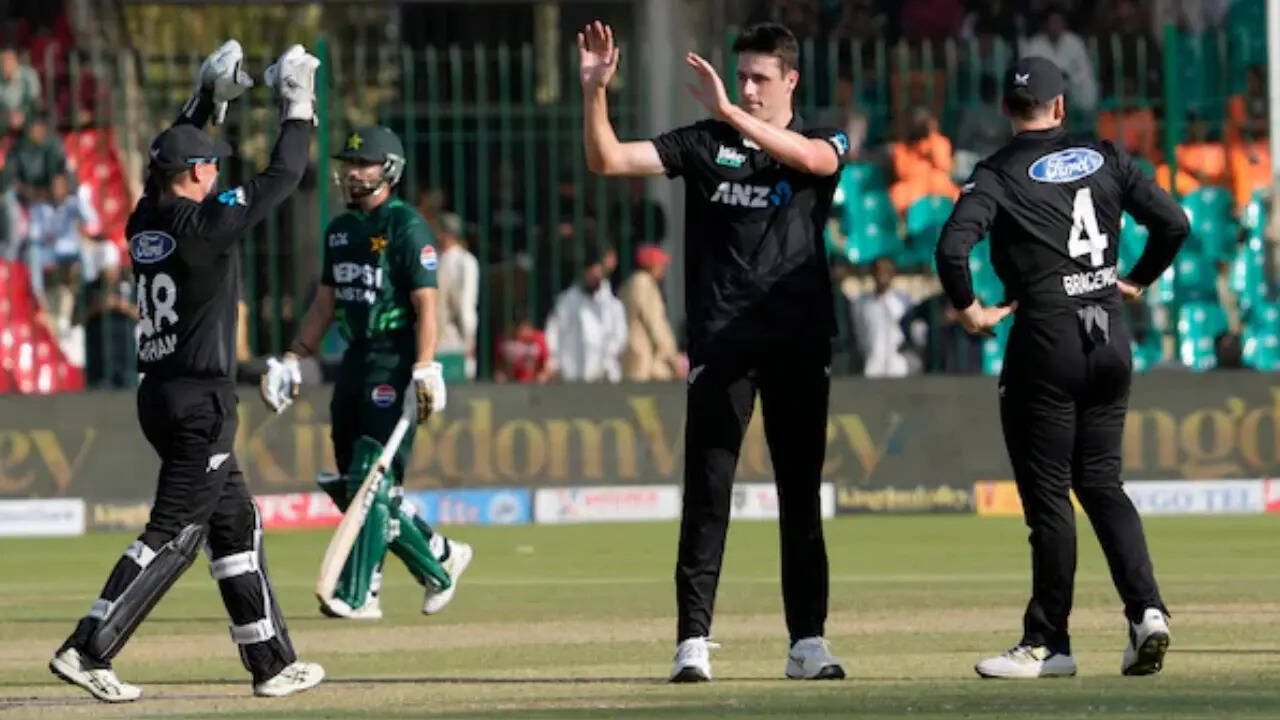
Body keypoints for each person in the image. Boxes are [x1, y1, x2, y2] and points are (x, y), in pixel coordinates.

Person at [49, 41, 325, 702]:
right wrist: (298, 104)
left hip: (161, 394)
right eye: (212, 164)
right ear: (197, 173)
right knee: (174, 533)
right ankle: (88, 648)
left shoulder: (144, 219)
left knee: (235, 527)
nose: (218, 170)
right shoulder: (207, 227)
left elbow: (167, 155)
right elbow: (285, 175)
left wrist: (206, 96)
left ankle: (271, 662)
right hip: (201, 403)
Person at [580, 20, 849, 681]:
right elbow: (608, 160)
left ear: (790, 80)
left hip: (798, 339)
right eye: (742, 78)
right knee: (708, 491)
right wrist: (594, 92)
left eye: (761, 78)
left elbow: (816, 163)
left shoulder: (823, 135)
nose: (748, 89)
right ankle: (693, 641)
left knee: (799, 494)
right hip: (722, 340)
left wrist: (731, 112)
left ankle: (808, 643)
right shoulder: (704, 144)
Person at [935, 56, 1188, 680]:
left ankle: (1049, 644)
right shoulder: (1106, 156)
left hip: (1045, 343)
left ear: (1005, 109)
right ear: (1061, 107)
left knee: (1050, 499)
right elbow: (1174, 223)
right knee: (1102, 484)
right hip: (1109, 339)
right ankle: (1147, 612)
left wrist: (970, 311)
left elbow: (952, 248)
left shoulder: (996, 172)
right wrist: (1136, 280)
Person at [260, 124, 471, 621]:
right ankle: (439, 557)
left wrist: (425, 367)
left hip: (395, 357)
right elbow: (325, 303)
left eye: (363, 164)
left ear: (389, 170)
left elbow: (427, 305)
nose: (352, 173)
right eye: (348, 165)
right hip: (355, 357)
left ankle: (361, 593)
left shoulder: (406, 226)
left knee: (369, 474)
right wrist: (293, 357)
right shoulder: (340, 230)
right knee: (355, 485)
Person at [545, 244, 627, 383]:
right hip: (571, 376)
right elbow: (553, 334)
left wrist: (607, 360)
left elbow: (620, 339)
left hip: (605, 377)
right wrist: (554, 362)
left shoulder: (614, 306)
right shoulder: (566, 302)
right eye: (589, 270)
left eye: (597, 269)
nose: (593, 274)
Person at [28, 172, 99, 331]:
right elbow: (33, 233)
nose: (56, 190)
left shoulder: (73, 204)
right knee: (33, 253)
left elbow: (92, 220)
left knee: (84, 250)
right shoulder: (40, 208)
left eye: (60, 186)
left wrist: (79, 199)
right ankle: (37, 296)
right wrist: (46, 235)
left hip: (68, 247)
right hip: (48, 250)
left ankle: (88, 290)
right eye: (54, 186)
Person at [1022, 9, 1098, 122]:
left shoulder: (1074, 42)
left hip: (1072, 87)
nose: (1055, 26)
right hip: (1045, 89)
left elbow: (1083, 69)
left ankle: (1085, 125)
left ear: (1064, 24)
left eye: (1058, 22)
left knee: (1087, 88)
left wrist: (1069, 79)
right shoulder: (1034, 45)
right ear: (1045, 25)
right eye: (1052, 22)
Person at [621, 243, 683, 381]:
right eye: (660, 264)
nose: (663, 268)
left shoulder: (631, 283)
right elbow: (656, 324)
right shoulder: (643, 283)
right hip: (645, 360)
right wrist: (673, 358)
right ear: (651, 265)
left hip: (633, 357)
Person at [849, 257, 915, 378]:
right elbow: (859, 331)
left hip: (898, 366)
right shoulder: (861, 302)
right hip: (871, 366)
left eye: (886, 270)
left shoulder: (903, 300)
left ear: (893, 273)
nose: (882, 274)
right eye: (878, 270)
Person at [435, 212, 479, 378]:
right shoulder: (433, 258)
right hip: (434, 334)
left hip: (455, 335)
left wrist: (468, 337)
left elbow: (466, 302)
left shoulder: (465, 261)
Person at [494, 315, 553, 383]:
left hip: (535, 380)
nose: (525, 333)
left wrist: (544, 374)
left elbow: (547, 364)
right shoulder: (507, 341)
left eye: (527, 329)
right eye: (522, 329)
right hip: (514, 380)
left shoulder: (539, 339)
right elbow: (499, 365)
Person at [0, 48, 40, 134]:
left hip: (28, 113)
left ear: (16, 62)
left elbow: (33, 98)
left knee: (37, 121)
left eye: (9, 61)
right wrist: (9, 115)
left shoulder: (29, 74)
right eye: (3, 62)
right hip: (5, 115)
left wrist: (22, 112)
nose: (6, 65)